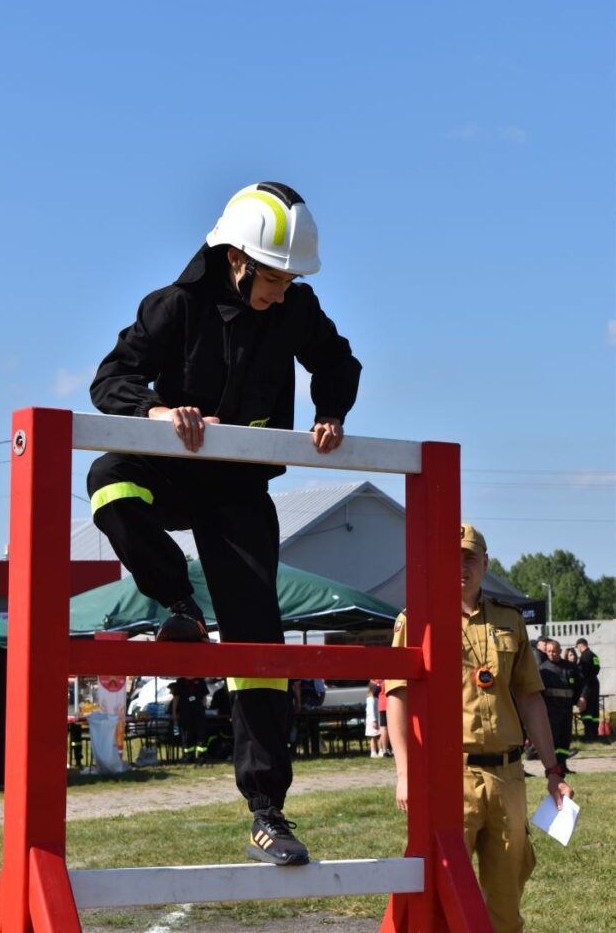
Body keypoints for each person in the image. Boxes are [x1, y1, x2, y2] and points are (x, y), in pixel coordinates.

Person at [87, 181, 361, 866]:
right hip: (172, 471)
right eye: (272, 278)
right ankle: (176, 601)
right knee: (107, 481)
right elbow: (110, 379)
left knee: (257, 640)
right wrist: (154, 413)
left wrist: (331, 414)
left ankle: (267, 813)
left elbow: (337, 361)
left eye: (290, 279)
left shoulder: (296, 309)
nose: (280, 291)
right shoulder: (173, 306)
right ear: (235, 258)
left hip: (237, 490)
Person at [386, 523, 573, 933]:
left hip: (508, 777)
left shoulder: (510, 620)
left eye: (469, 557)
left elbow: (529, 697)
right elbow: (396, 697)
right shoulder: (417, 619)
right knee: (436, 895)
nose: (460, 567)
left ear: (485, 563)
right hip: (450, 777)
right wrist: (404, 773)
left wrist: (553, 771)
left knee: (506, 899)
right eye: (451, 558)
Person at [539, 640, 576, 775]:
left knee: (565, 737)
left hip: (566, 708)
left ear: (560, 651)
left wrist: (581, 698)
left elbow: (579, 684)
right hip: (551, 709)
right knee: (554, 738)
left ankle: (563, 763)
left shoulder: (570, 667)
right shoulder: (543, 669)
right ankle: (555, 766)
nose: (552, 654)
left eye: (554, 651)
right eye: (549, 651)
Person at [171, 676, 209, 765]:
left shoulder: (200, 680)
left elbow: (204, 698)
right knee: (187, 735)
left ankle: (201, 757)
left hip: (199, 713)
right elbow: (176, 698)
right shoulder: (180, 681)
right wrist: (174, 713)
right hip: (185, 713)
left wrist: (204, 709)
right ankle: (188, 757)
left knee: (201, 734)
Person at [575, 637, 601, 740]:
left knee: (587, 710)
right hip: (595, 684)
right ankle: (594, 732)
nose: (578, 649)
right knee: (594, 709)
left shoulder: (584, 657)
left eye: (578, 647)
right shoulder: (594, 655)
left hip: (587, 686)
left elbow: (582, 673)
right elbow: (597, 669)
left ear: (580, 645)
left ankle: (589, 733)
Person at [365, 681, 381, 757]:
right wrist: (374, 720)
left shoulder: (370, 698)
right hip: (373, 720)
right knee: (374, 736)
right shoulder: (372, 699)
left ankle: (374, 751)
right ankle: (374, 751)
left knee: (374, 736)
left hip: (370, 719)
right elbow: (371, 710)